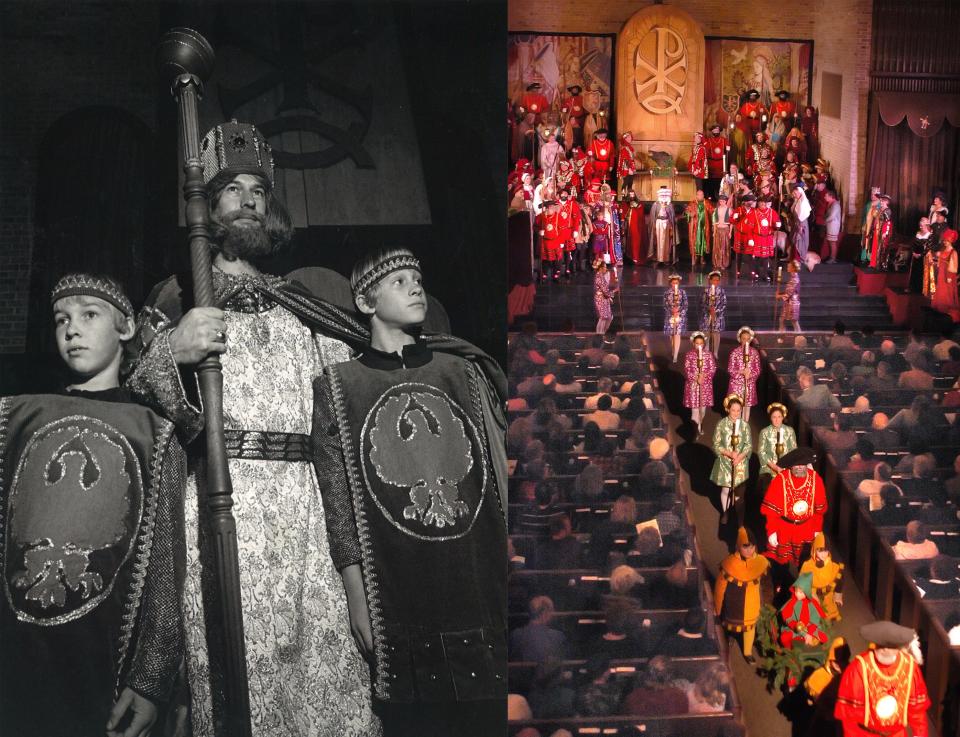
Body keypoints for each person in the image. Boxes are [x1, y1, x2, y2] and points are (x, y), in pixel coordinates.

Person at [124, 120, 381, 736]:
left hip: (308, 520)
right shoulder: (177, 298)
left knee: (333, 695)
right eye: (232, 189)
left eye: (258, 190)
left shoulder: (303, 308)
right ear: (207, 208)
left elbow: (344, 431)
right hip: (219, 512)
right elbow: (133, 407)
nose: (247, 199)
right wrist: (170, 352)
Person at [0, 274, 186, 737]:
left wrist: (151, 679)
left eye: (88, 315)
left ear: (125, 329)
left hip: (104, 660)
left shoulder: (155, 431)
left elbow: (166, 564)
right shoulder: (16, 414)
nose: (71, 329)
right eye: (61, 319)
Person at [835, 621, 930, 737]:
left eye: (891, 646)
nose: (885, 649)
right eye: (881, 645)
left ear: (899, 647)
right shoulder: (858, 668)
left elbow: (917, 712)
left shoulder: (909, 667)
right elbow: (849, 717)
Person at [761, 448, 827, 581]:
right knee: (780, 564)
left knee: (806, 564)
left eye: (803, 465)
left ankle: (803, 595)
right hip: (784, 527)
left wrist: (817, 528)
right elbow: (771, 511)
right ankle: (782, 588)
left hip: (806, 528)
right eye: (796, 465)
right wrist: (772, 531)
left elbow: (819, 510)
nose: (800, 468)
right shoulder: (781, 479)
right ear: (790, 466)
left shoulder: (815, 480)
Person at [714, 527, 770, 663]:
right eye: (746, 547)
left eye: (752, 547)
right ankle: (726, 645)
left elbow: (764, 586)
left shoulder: (761, 562)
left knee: (750, 629)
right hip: (734, 604)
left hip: (752, 605)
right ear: (739, 547)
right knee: (728, 627)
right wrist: (718, 608)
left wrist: (764, 605)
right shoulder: (729, 564)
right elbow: (720, 588)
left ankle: (747, 652)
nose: (749, 551)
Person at [711, 394, 751, 526]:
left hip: (740, 463)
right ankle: (725, 512)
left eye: (738, 410)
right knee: (726, 491)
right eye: (733, 410)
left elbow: (748, 445)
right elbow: (716, 444)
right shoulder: (722, 424)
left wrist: (739, 457)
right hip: (725, 463)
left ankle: (740, 520)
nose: (736, 413)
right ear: (728, 409)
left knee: (740, 494)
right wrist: (728, 453)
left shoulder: (745, 426)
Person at [799, 533, 844, 622]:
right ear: (814, 550)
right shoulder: (807, 565)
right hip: (813, 598)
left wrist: (838, 595)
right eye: (820, 551)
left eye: (826, 551)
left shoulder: (833, 565)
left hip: (828, 599)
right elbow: (802, 583)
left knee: (828, 621)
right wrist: (811, 593)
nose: (823, 554)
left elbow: (840, 579)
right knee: (813, 621)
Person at [778, 572, 829, 649]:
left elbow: (814, 620)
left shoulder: (812, 604)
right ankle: (790, 652)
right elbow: (788, 618)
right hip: (794, 628)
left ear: (806, 592)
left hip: (808, 628)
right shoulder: (792, 602)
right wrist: (801, 632)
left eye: (801, 592)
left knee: (824, 638)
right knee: (784, 638)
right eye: (796, 591)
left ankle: (811, 647)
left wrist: (809, 633)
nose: (797, 594)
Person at [510, 596, 567, 663]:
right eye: (551, 611)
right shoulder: (557, 636)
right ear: (545, 612)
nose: (553, 614)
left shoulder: (515, 635)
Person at [757, 403, 798, 496]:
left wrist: (786, 466)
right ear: (770, 418)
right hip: (770, 467)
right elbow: (761, 452)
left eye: (779, 416)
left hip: (786, 467)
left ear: (783, 417)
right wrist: (775, 467)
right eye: (774, 417)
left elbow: (794, 450)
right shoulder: (765, 432)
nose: (776, 419)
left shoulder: (790, 431)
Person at [684, 331, 717, 437]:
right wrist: (696, 378)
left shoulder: (708, 355)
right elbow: (687, 369)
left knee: (702, 410)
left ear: (704, 344)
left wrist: (704, 376)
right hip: (693, 386)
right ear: (693, 344)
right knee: (695, 410)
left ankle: (700, 424)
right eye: (697, 343)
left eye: (701, 343)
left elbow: (712, 369)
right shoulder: (689, 355)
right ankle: (695, 431)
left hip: (705, 386)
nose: (699, 345)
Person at [727, 326, 761, 422]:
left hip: (749, 385)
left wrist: (750, 375)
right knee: (736, 409)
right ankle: (735, 430)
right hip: (736, 385)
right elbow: (730, 369)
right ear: (740, 339)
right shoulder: (735, 353)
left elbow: (757, 370)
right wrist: (741, 372)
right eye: (743, 339)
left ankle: (744, 428)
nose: (746, 341)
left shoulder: (754, 353)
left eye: (748, 339)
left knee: (747, 408)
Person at [931, 228, 959, 316]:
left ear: (950, 241)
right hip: (941, 274)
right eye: (944, 240)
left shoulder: (953, 252)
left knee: (947, 293)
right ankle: (940, 312)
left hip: (947, 276)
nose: (944, 242)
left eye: (946, 241)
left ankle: (947, 313)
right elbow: (940, 262)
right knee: (940, 292)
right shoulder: (944, 250)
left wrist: (950, 277)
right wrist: (934, 262)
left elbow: (954, 268)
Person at [648, 186, 679, 265]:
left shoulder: (670, 205)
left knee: (667, 243)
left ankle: (666, 259)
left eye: (665, 195)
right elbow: (652, 217)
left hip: (667, 224)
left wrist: (672, 226)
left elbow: (672, 217)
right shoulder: (655, 204)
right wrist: (654, 225)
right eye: (662, 195)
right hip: (658, 224)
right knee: (657, 241)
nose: (664, 197)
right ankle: (657, 259)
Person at [684, 189, 714, 269]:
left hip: (704, 227)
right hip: (695, 228)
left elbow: (713, 212)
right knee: (695, 242)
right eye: (699, 195)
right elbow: (686, 212)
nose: (701, 196)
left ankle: (702, 258)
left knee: (703, 243)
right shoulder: (692, 203)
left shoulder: (707, 203)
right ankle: (694, 258)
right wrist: (690, 214)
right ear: (696, 195)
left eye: (702, 195)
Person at [663, 273, 688, 362]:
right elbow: (665, 305)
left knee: (677, 334)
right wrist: (671, 311)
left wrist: (679, 312)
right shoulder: (667, 293)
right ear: (670, 283)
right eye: (673, 283)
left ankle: (676, 355)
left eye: (676, 283)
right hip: (670, 316)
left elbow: (685, 305)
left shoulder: (682, 293)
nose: (675, 285)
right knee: (671, 335)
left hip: (679, 317)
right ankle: (673, 349)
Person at [701, 270, 727, 356]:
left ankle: (715, 352)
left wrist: (716, 311)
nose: (716, 282)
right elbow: (703, 302)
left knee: (716, 333)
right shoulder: (706, 291)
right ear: (710, 280)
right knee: (707, 332)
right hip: (707, 315)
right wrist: (708, 309)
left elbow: (724, 303)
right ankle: (706, 349)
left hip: (717, 316)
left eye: (717, 280)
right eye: (714, 280)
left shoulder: (721, 291)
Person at [731, 192, 757, 277]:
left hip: (750, 236)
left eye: (752, 201)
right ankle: (738, 271)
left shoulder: (754, 211)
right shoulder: (738, 210)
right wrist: (735, 217)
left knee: (751, 255)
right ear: (744, 202)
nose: (751, 203)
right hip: (740, 235)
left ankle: (752, 271)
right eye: (749, 201)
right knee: (739, 254)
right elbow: (732, 221)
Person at [866, 193, 894, 269]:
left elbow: (888, 223)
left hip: (882, 231)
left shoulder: (887, 211)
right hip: (877, 230)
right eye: (880, 201)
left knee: (881, 248)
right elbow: (875, 220)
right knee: (875, 246)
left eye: (882, 201)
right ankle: (873, 263)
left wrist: (885, 232)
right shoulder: (880, 210)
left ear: (886, 202)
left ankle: (880, 264)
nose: (881, 202)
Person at [618, 189, 645, 266]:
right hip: (626, 224)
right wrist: (623, 220)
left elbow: (640, 212)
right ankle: (626, 256)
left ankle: (634, 256)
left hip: (634, 224)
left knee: (634, 239)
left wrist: (635, 207)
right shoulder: (625, 203)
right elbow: (622, 212)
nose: (632, 196)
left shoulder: (638, 203)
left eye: (633, 194)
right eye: (630, 194)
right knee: (625, 240)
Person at [593, 257, 618, 335]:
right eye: (604, 267)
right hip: (601, 299)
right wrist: (615, 291)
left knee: (608, 317)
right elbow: (606, 292)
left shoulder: (600, 276)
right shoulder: (600, 278)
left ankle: (603, 332)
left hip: (604, 299)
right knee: (603, 317)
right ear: (600, 268)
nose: (605, 268)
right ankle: (599, 334)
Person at [704, 124, 730, 200]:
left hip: (721, 164)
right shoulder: (708, 140)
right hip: (711, 164)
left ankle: (721, 196)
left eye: (717, 130)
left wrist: (728, 146)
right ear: (712, 132)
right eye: (714, 130)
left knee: (720, 181)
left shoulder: (724, 140)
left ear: (719, 131)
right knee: (711, 181)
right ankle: (711, 196)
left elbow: (728, 150)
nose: (716, 132)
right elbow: (706, 151)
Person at [790, 182, 812, 262]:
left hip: (801, 224)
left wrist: (800, 227)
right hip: (796, 224)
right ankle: (794, 259)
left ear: (800, 192)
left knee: (799, 241)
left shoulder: (803, 202)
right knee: (794, 241)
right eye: (794, 193)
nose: (794, 195)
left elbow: (802, 216)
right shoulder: (798, 201)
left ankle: (798, 259)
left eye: (795, 193)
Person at [779, 258, 802, 331]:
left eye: (789, 267)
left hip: (792, 303)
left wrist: (779, 296)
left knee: (794, 321)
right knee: (782, 319)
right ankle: (781, 335)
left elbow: (789, 293)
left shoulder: (794, 279)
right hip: (789, 302)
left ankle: (800, 338)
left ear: (792, 268)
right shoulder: (793, 278)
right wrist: (780, 294)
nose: (787, 268)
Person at [712, 193, 733, 271]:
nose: (722, 203)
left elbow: (732, 223)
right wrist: (714, 231)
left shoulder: (729, 210)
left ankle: (724, 263)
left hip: (725, 230)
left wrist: (730, 232)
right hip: (718, 229)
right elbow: (714, 222)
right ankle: (717, 263)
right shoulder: (716, 209)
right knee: (718, 246)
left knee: (724, 247)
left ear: (726, 201)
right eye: (720, 201)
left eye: (723, 201)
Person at [822, 189, 842, 263]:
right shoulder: (830, 204)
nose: (824, 197)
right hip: (830, 225)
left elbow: (832, 216)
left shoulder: (836, 204)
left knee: (832, 242)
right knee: (830, 241)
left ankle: (833, 258)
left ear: (831, 196)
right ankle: (831, 256)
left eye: (826, 196)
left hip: (833, 226)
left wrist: (825, 221)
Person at [617, 131, 637, 197]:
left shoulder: (629, 147)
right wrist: (629, 169)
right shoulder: (624, 148)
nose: (630, 138)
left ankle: (629, 197)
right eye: (628, 137)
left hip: (631, 167)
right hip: (626, 168)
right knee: (626, 182)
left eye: (630, 137)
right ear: (625, 139)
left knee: (630, 183)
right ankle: (623, 197)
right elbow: (625, 159)